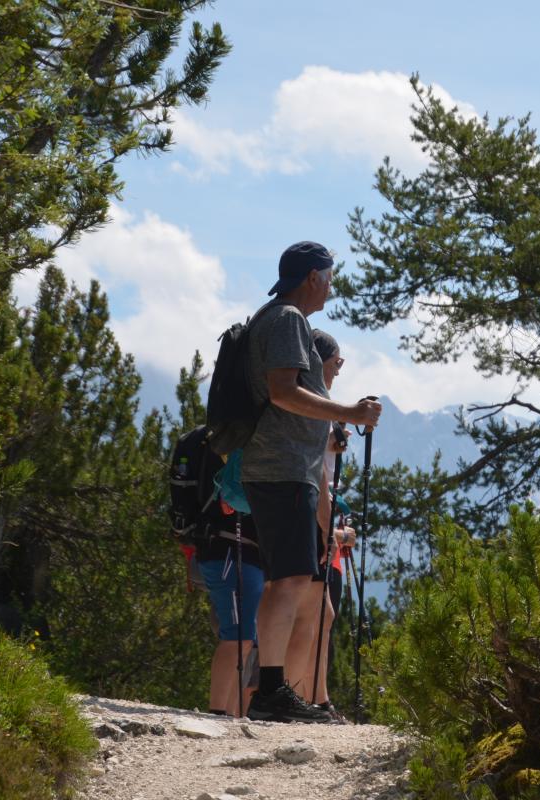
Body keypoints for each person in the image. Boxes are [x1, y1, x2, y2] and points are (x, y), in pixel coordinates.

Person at [243, 241, 381, 724]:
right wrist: (348, 412)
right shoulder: (287, 320)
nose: (331, 285)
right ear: (312, 278)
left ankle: (273, 689)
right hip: (282, 467)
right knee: (290, 580)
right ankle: (271, 691)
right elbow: (283, 392)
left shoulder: (277, 318)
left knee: (291, 578)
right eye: (328, 275)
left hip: (282, 468)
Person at [294, 329, 355, 720]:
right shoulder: (317, 410)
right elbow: (317, 476)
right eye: (336, 363)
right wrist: (328, 531)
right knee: (312, 614)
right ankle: (304, 697)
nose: (339, 370)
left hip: (313, 520)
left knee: (320, 614)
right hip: (313, 523)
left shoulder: (316, 411)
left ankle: (315, 697)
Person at [195, 500, 263, 717]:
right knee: (238, 637)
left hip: (241, 552)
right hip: (230, 550)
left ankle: (231, 715)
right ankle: (218, 712)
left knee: (246, 640)